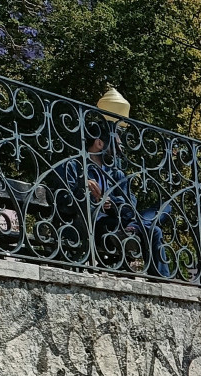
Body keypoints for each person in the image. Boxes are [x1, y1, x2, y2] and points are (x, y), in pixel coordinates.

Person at [57, 118, 171, 277]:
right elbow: (63, 200)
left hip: (121, 220)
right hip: (97, 224)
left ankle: (135, 232)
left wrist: (111, 203)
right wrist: (83, 188)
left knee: (164, 210)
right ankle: (132, 230)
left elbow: (130, 206)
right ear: (99, 143)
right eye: (116, 144)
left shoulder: (116, 173)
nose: (120, 148)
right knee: (151, 228)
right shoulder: (74, 166)